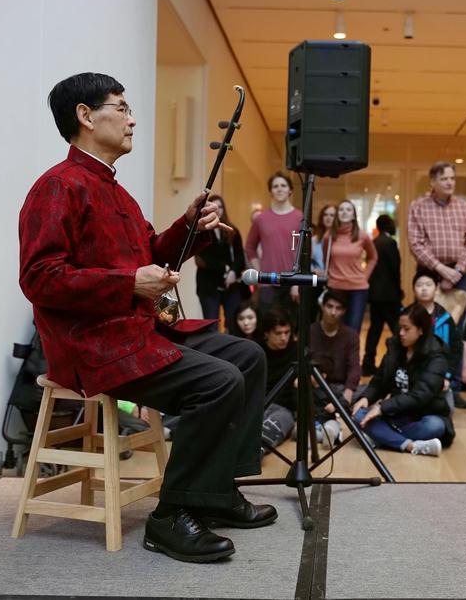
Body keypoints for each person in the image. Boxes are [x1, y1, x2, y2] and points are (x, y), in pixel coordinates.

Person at [18, 72, 275, 564]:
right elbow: (40, 279)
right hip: (92, 345)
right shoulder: (57, 187)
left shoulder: (117, 192)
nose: (132, 118)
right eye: (121, 107)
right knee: (219, 381)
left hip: (136, 332)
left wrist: (189, 226)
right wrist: (128, 284)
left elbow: (154, 256)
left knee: (247, 356)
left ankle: (216, 494)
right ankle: (169, 518)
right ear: (86, 116)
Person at [352, 305, 455, 455]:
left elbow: (420, 395)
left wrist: (382, 407)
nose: (401, 333)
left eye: (406, 329)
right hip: (396, 414)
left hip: (422, 415)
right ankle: (410, 446)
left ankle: (381, 438)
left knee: (435, 426)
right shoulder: (396, 347)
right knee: (358, 414)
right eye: (400, 328)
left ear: (420, 330)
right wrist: (366, 398)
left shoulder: (436, 354)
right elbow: (380, 380)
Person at [407, 161, 466, 311]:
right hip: (429, 271)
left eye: (452, 178)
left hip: (459, 274)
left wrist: (457, 271)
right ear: (433, 182)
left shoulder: (465, 208)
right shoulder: (418, 206)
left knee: (457, 323)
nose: (449, 183)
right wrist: (441, 269)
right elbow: (415, 244)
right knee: (426, 321)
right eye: (444, 179)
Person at [245, 172, 304, 317]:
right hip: (267, 283)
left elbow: (304, 251)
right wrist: (259, 273)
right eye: (275, 186)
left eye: (283, 185)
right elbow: (250, 247)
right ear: (270, 191)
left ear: (290, 190)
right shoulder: (261, 219)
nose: (279, 189)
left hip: (292, 282)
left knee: (290, 329)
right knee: (267, 326)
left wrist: (297, 283)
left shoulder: (300, 218)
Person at [309, 289, 361, 446]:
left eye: (338, 308)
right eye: (329, 306)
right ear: (322, 307)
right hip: (316, 386)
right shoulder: (310, 331)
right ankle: (328, 429)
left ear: (344, 311)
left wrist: (346, 397)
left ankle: (324, 428)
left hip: (339, 387)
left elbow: (354, 368)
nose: (333, 312)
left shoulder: (351, 335)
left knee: (363, 393)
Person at [411, 269, 464, 406]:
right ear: (413, 289)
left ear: (436, 289)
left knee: (446, 410)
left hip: (439, 375)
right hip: (412, 374)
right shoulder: (406, 316)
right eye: (419, 285)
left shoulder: (445, 318)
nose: (424, 289)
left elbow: (456, 348)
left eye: (428, 285)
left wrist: (447, 376)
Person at [194, 194, 247, 329]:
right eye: (214, 207)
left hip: (231, 285)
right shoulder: (201, 231)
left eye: (220, 207)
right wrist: (225, 268)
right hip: (208, 285)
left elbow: (240, 256)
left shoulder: (232, 231)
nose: (218, 210)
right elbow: (202, 258)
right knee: (212, 326)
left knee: (234, 323)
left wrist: (233, 272)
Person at [324, 199, 378, 332]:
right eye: (341, 209)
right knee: (335, 328)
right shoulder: (329, 236)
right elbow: (327, 258)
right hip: (335, 287)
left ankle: (351, 354)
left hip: (357, 289)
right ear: (337, 214)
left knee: (353, 330)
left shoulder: (362, 236)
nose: (344, 212)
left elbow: (373, 257)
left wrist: (365, 277)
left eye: (348, 210)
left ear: (353, 215)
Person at [364, 214, 402, 375]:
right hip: (389, 295)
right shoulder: (390, 243)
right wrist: (399, 291)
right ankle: (400, 361)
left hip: (375, 294)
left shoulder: (375, 243)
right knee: (398, 329)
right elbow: (395, 269)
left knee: (375, 329)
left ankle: (367, 362)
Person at [260, 308, 299, 451]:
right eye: (278, 333)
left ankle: (257, 450)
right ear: (266, 334)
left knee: (273, 427)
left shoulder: (298, 351)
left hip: (285, 409)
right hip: (260, 405)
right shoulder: (257, 352)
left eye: (287, 332)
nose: (284, 338)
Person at [311, 203, 337, 275]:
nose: (328, 217)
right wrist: (313, 270)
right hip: (318, 280)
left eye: (332, 215)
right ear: (322, 218)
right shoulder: (313, 240)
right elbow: (306, 263)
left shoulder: (340, 239)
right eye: (325, 215)